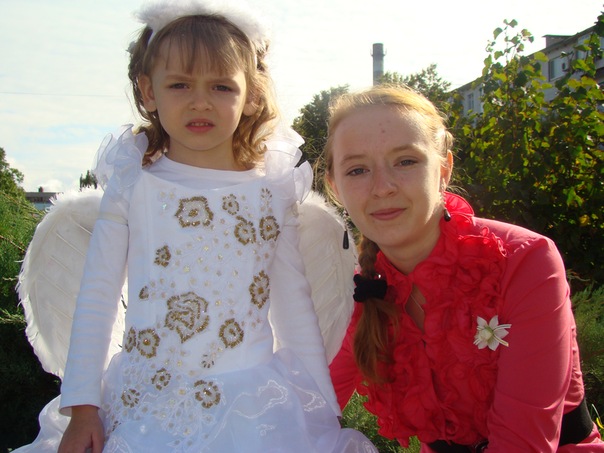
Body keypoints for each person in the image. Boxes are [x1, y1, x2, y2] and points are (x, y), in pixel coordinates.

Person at [15, 1, 377, 452]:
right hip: (145, 406)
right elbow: (97, 296)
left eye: (221, 86)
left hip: (256, 411)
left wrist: (322, 410)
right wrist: (84, 407)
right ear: (148, 91)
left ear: (252, 95)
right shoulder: (132, 184)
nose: (200, 101)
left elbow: (295, 307)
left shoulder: (273, 192)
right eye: (180, 84)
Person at [325, 84, 604, 452]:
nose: (383, 187)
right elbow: (313, 406)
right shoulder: (359, 291)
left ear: (444, 168)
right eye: (358, 169)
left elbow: (524, 442)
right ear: (335, 187)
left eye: (405, 161)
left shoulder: (524, 260)